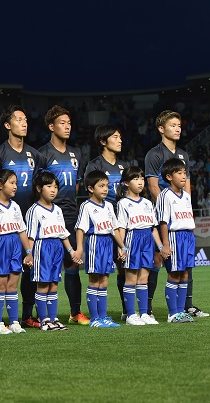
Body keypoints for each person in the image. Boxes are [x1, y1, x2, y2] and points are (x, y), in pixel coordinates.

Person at [0, 105, 45, 328]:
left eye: (25, 119)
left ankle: (27, 314)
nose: (24, 123)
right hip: (3, 224)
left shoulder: (35, 155)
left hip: (28, 221)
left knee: (26, 269)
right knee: (0, 274)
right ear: (8, 125)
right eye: (18, 120)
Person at [144, 110, 207, 317]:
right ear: (161, 129)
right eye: (173, 125)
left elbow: (187, 188)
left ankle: (187, 306)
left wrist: (184, 209)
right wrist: (168, 208)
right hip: (163, 217)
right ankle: (149, 308)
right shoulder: (154, 154)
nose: (178, 128)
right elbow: (153, 187)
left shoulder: (183, 155)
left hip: (181, 218)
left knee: (186, 264)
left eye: (179, 125)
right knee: (156, 260)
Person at [38, 105, 87, 325]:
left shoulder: (77, 153)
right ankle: (37, 315)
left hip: (71, 214)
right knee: (48, 266)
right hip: (49, 216)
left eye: (69, 123)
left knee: (73, 263)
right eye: (62, 123)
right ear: (51, 126)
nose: (67, 127)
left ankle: (75, 312)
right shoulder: (42, 154)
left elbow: (76, 186)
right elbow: (38, 187)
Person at [85, 125, 129, 320]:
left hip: (123, 223)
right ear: (103, 141)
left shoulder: (124, 167)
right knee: (98, 273)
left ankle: (126, 310)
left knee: (123, 266)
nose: (120, 140)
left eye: (120, 137)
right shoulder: (95, 165)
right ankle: (92, 314)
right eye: (115, 137)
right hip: (102, 226)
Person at [74, 170, 128, 328]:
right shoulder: (87, 206)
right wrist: (79, 248)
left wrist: (122, 246)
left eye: (107, 185)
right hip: (95, 242)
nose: (106, 189)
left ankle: (103, 317)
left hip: (108, 243)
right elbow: (80, 229)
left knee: (104, 281)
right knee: (94, 280)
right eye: (101, 186)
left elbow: (115, 228)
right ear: (91, 188)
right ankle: (95, 319)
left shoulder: (110, 206)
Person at [24, 171, 76, 331]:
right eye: (49, 186)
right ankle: (43, 319)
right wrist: (29, 253)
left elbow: (62, 233)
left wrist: (71, 251)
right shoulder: (34, 210)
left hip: (56, 249)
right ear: (39, 188)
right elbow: (30, 235)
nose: (53, 190)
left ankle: (53, 318)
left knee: (54, 284)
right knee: (43, 284)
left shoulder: (58, 210)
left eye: (55, 187)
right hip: (42, 248)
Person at [0, 169, 30, 335]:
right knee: (0, 285)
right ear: (0, 185)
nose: (15, 186)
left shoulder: (15, 206)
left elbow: (22, 231)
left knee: (12, 285)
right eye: (12, 183)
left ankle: (14, 322)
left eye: (16, 183)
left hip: (15, 245)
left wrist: (28, 252)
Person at [115, 166, 162, 325]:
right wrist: (121, 247)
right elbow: (121, 227)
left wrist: (161, 247)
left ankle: (144, 314)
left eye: (142, 179)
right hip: (133, 239)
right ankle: (130, 315)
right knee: (131, 278)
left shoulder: (148, 203)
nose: (140, 182)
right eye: (136, 179)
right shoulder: (123, 203)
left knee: (144, 278)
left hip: (147, 240)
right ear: (127, 183)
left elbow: (153, 228)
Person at [156, 159, 196, 323]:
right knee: (174, 274)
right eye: (179, 173)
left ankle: (181, 312)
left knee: (185, 274)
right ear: (169, 176)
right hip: (174, 236)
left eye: (185, 173)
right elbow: (163, 221)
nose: (183, 176)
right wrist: (165, 244)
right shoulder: (164, 196)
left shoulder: (186, 196)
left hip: (188, 236)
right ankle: (173, 313)